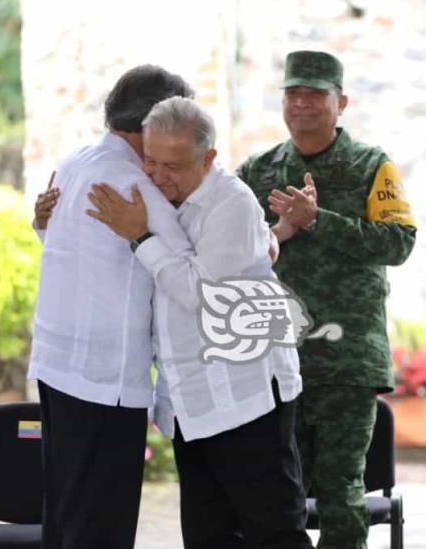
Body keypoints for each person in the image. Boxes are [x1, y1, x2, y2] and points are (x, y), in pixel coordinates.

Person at [86, 96, 312, 549]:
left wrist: (140, 237)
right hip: (192, 401)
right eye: (150, 160)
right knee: (208, 537)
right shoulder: (165, 198)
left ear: (209, 158)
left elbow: (204, 296)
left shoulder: (230, 202)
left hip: (247, 398)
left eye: (173, 165)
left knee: (275, 535)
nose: (157, 175)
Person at [237, 50, 417, 549]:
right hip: (274, 358)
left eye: (315, 94)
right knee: (277, 496)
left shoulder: (371, 165)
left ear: (341, 102)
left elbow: (398, 243)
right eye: (293, 94)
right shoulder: (258, 169)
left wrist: (320, 220)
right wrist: (282, 230)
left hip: (346, 360)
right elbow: (227, 252)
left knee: (341, 495)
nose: (303, 104)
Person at [28, 65, 194, 549]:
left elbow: (62, 238)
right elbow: (189, 262)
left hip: (59, 368)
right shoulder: (134, 185)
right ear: (154, 128)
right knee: (100, 521)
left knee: (64, 510)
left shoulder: (75, 161)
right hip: (105, 379)